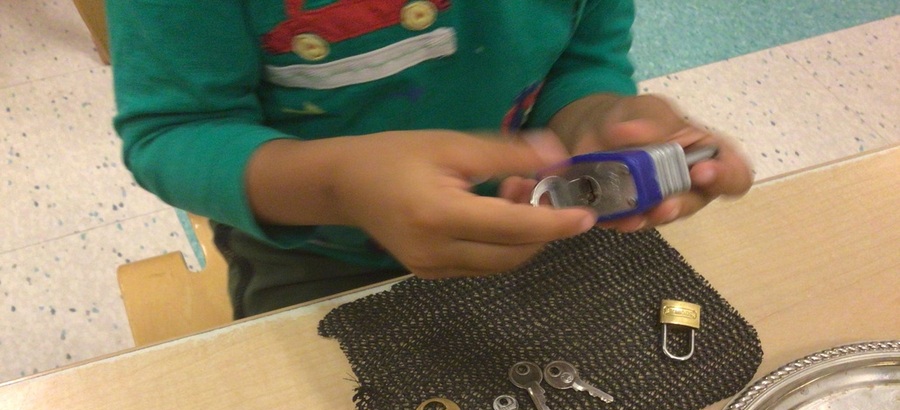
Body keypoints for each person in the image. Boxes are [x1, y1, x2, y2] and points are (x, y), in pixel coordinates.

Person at [107, 1, 752, 318]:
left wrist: (591, 116)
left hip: (528, 205)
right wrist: (338, 185)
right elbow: (175, 131)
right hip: (318, 250)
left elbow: (582, 56)